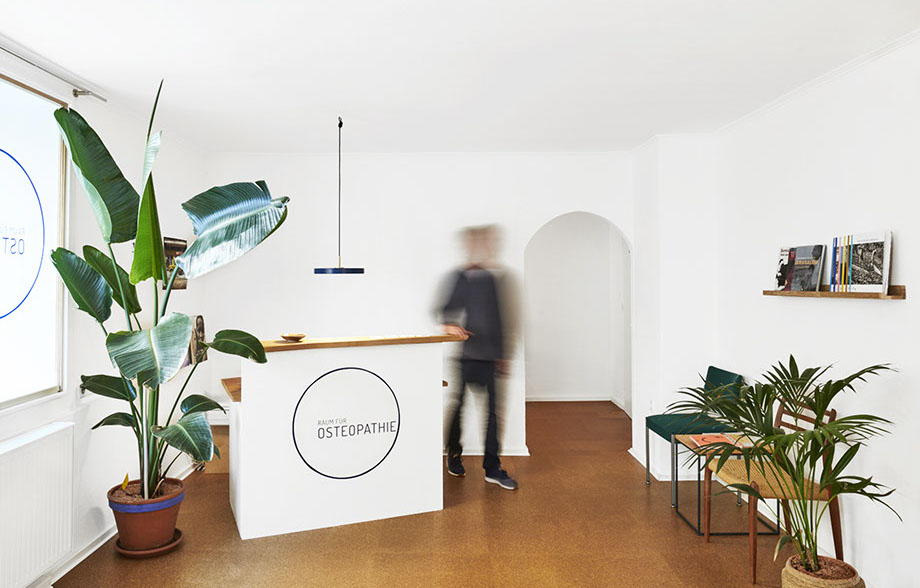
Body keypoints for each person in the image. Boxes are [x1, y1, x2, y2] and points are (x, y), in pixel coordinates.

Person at [439, 225, 518, 490]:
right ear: (469, 246)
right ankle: (453, 454)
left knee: (494, 414)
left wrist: (504, 355)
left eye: (486, 243)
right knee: (459, 408)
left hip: (492, 358)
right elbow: (445, 311)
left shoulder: (496, 279)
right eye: (478, 243)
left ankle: (492, 469)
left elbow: (502, 319)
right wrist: (450, 326)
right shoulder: (461, 277)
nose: (483, 247)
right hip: (466, 356)